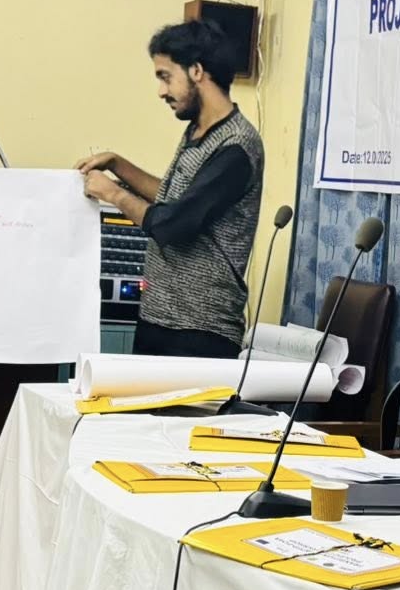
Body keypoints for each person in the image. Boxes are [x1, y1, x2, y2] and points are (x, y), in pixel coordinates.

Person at [78, 20, 265, 359]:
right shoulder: (198, 130)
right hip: (158, 319)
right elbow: (173, 199)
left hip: (200, 332)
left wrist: (114, 194)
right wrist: (118, 165)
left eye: (166, 77)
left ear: (197, 71)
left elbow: (174, 224)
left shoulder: (237, 147)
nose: (161, 92)